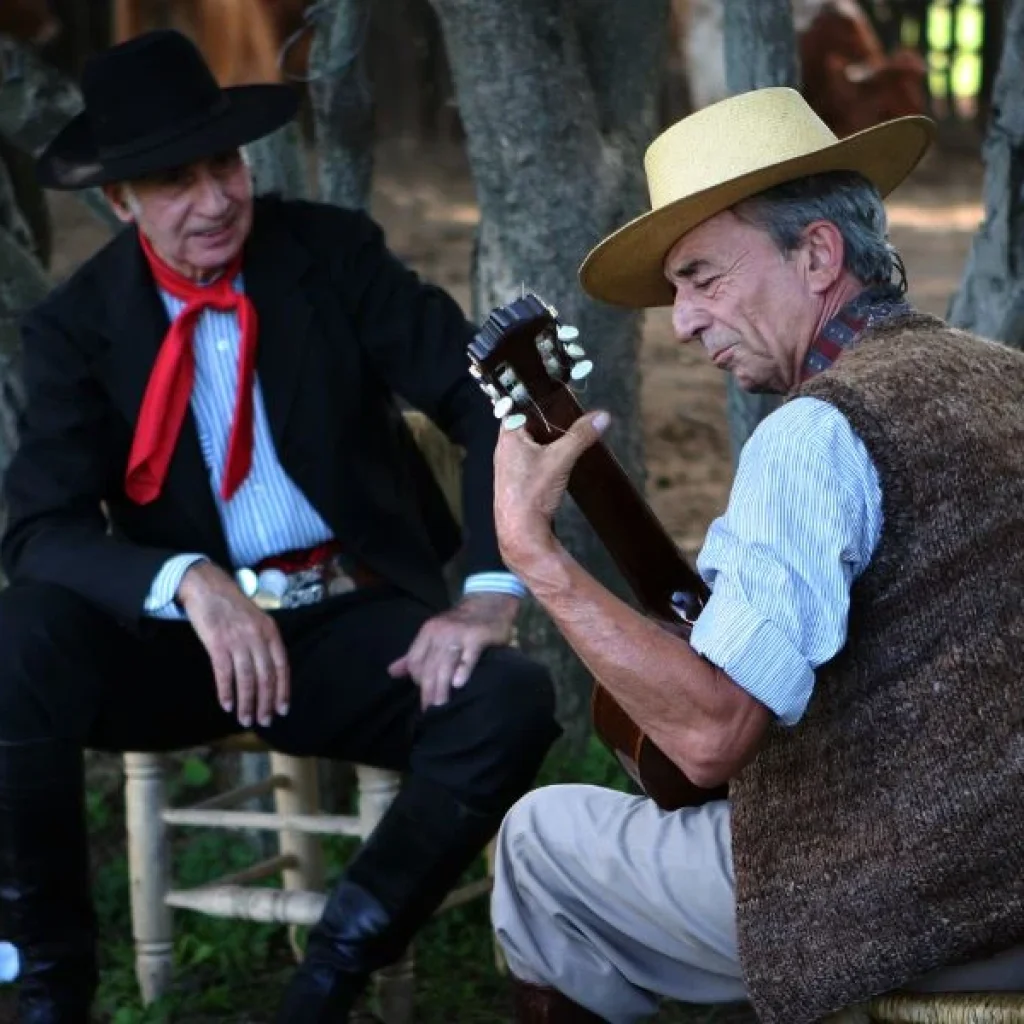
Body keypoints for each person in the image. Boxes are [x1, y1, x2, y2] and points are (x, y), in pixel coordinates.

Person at [0, 29, 560, 1024]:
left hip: (349, 626)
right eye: (175, 180)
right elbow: (38, 529)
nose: (215, 197)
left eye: (223, 163)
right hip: (183, 651)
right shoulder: (75, 327)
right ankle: (51, 993)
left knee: (509, 701)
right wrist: (186, 580)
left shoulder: (330, 255)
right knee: (19, 640)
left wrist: (487, 591)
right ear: (121, 201)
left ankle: (326, 981)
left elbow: (485, 401)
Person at [488, 87, 1024, 1023]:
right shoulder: (1003, 375)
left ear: (816, 254)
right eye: (677, 294)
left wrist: (536, 558)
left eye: (704, 277)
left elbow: (707, 739)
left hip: (928, 903)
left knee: (540, 843)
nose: (684, 322)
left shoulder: (815, 435)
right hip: (999, 859)